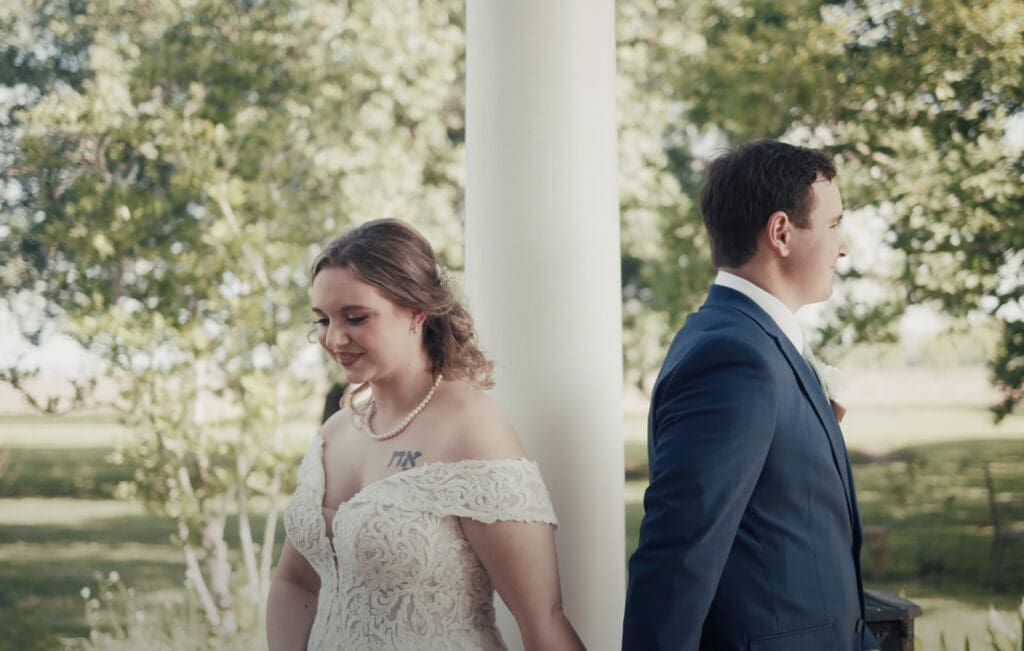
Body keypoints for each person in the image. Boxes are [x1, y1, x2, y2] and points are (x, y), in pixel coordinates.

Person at [267, 219, 584, 651]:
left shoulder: (472, 430)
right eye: (323, 320)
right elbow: (296, 581)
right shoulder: (335, 432)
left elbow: (541, 619)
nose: (334, 338)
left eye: (356, 317)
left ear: (418, 311)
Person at [622, 140, 880, 651]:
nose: (842, 246)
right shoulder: (731, 357)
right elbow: (677, 558)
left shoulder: (755, 339)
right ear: (781, 233)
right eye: (832, 226)